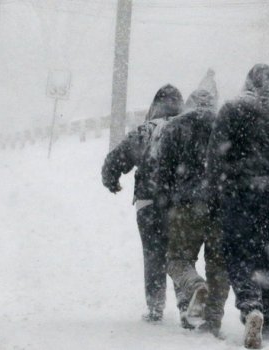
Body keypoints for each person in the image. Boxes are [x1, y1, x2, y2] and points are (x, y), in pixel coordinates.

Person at [206, 64, 269, 349]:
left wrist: (214, 197)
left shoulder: (231, 111)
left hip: (238, 196)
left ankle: (251, 306)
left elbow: (215, 159)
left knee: (239, 253)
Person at [101, 84, 184, 322]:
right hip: (181, 204)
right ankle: (186, 305)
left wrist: (111, 181)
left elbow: (115, 160)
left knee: (153, 254)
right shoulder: (186, 129)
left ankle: (156, 307)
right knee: (181, 254)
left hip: (148, 204)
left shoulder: (144, 132)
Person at [153, 89, 229, 336]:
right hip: (221, 206)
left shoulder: (175, 127)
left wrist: (164, 203)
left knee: (177, 260)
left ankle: (195, 285)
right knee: (218, 265)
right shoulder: (225, 126)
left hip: (185, 206)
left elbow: (162, 170)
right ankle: (213, 321)